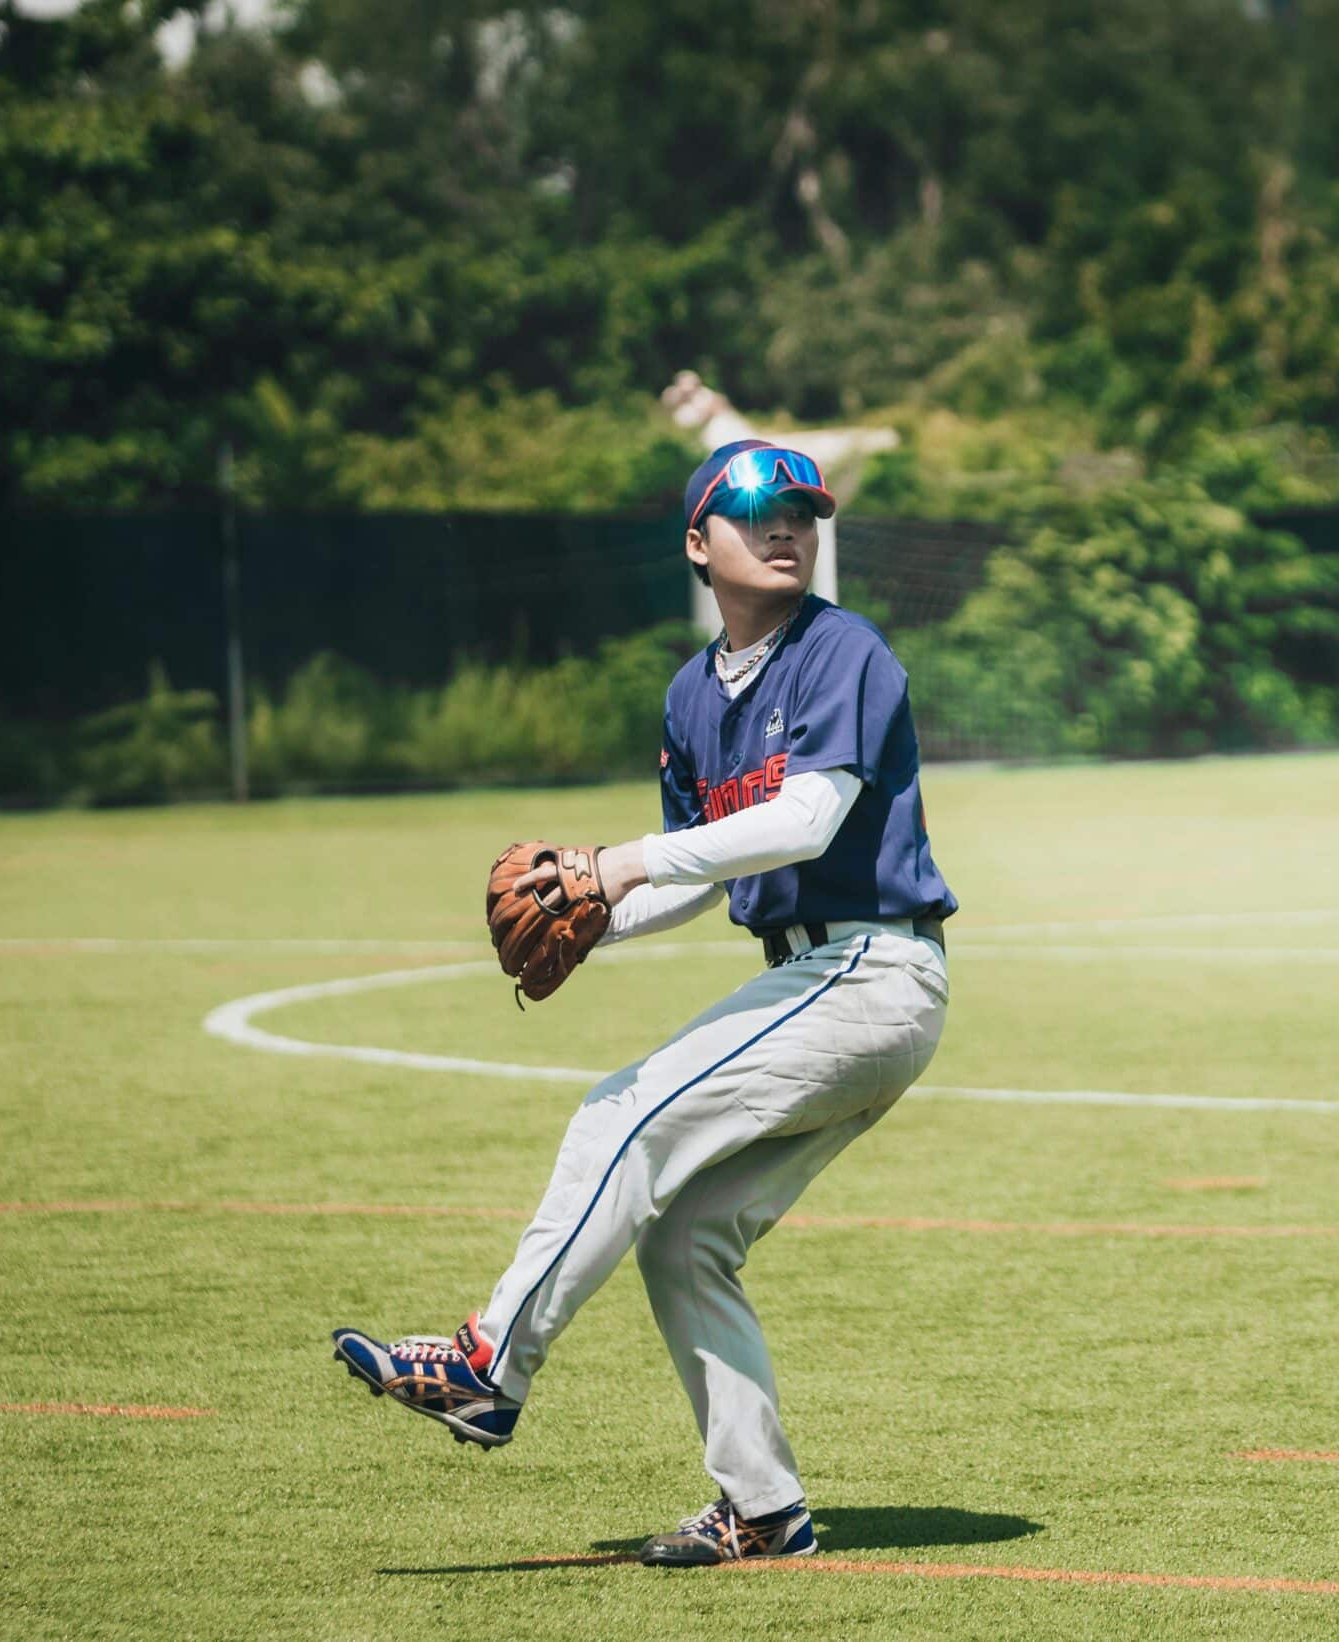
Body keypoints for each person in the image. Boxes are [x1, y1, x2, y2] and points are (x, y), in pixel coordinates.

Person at [332, 439, 955, 1567]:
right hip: (813, 975)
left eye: (803, 509)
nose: (787, 525)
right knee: (684, 1239)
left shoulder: (840, 650)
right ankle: (766, 1511)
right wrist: (598, 918)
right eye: (758, 506)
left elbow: (805, 820)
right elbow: (701, 870)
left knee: (619, 1111)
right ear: (696, 542)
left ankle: (489, 1366)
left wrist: (613, 862)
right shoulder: (689, 696)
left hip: (874, 970)